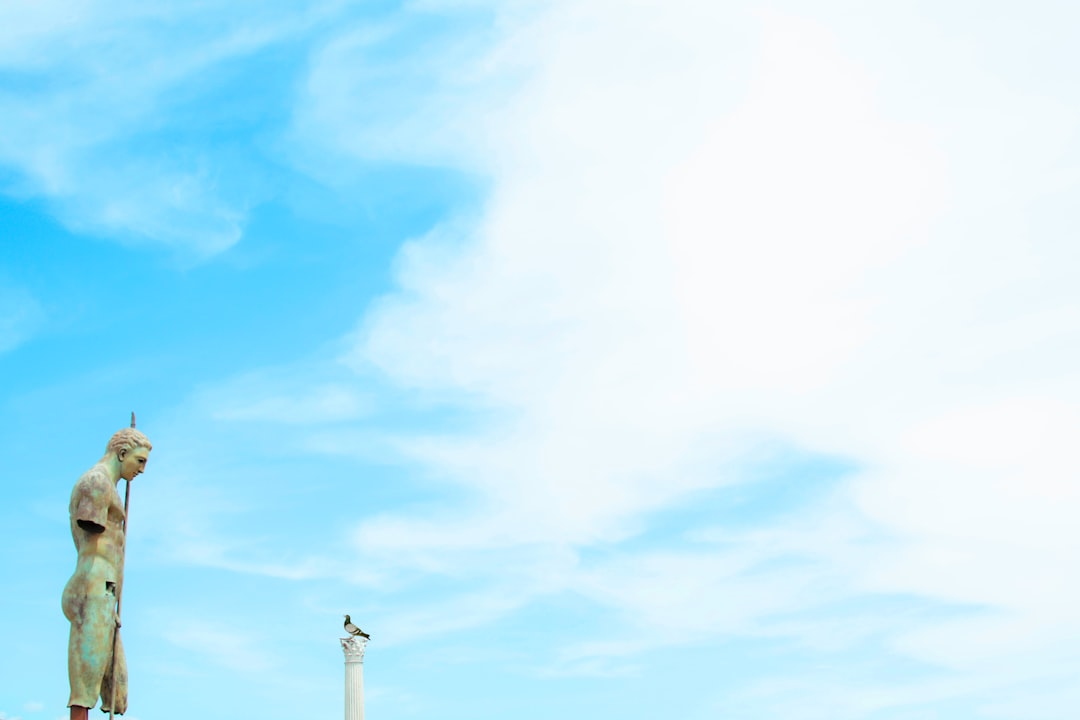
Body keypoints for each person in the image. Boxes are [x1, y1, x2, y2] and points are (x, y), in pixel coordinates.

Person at [62, 427, 152, 719]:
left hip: (104, 593)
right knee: (84, 689)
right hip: (93, 587)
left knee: (117, 688)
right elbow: (90, 540)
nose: (142, 469)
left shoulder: (108, 488)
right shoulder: (96, 482)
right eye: (140, 461)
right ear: (122, 453)